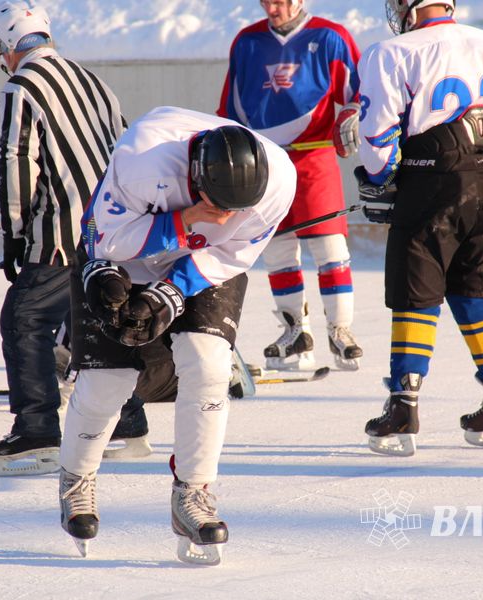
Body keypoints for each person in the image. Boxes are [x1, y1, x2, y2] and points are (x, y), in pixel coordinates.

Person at [59, 106, 295, 565]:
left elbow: (231, 254)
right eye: (218, 206)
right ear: (195, 177)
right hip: (122, 255)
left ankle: (194, 489)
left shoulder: (280, 180)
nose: (226, 217)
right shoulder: (141, 159)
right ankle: (76, 476)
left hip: (205, 263)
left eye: (237, 209)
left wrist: (171, 290)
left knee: (209, 364)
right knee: (108, 381)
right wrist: (183, 222)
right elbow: (103, 239)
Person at [334, 0, 483, 456]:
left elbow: (378, 139)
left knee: (417, 292)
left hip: (432, 186)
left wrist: (381, 179)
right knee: (476, 289)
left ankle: (402, 407)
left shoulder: (390, 52)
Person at [0, 0, 126, 475]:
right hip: (115, 225)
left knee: (25, 319)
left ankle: (37, 430)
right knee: (98, 316)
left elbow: (17, 164)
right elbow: (126, 145)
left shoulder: (20, 87)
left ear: (4, 46)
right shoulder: (93, 80)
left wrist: (14, 234)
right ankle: (127, 424)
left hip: (65, 230)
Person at [218, 0, 364, 371]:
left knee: (329, 244)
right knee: (277, 247)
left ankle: (340, 329)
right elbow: (230, 107)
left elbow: (359, 92)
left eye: (281, 1)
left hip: (314, 157)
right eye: (266, 0)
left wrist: (351, 113)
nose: (272, 7)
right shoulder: (247, 42)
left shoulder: (330, 36)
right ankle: (295, 331)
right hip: (263, 160)